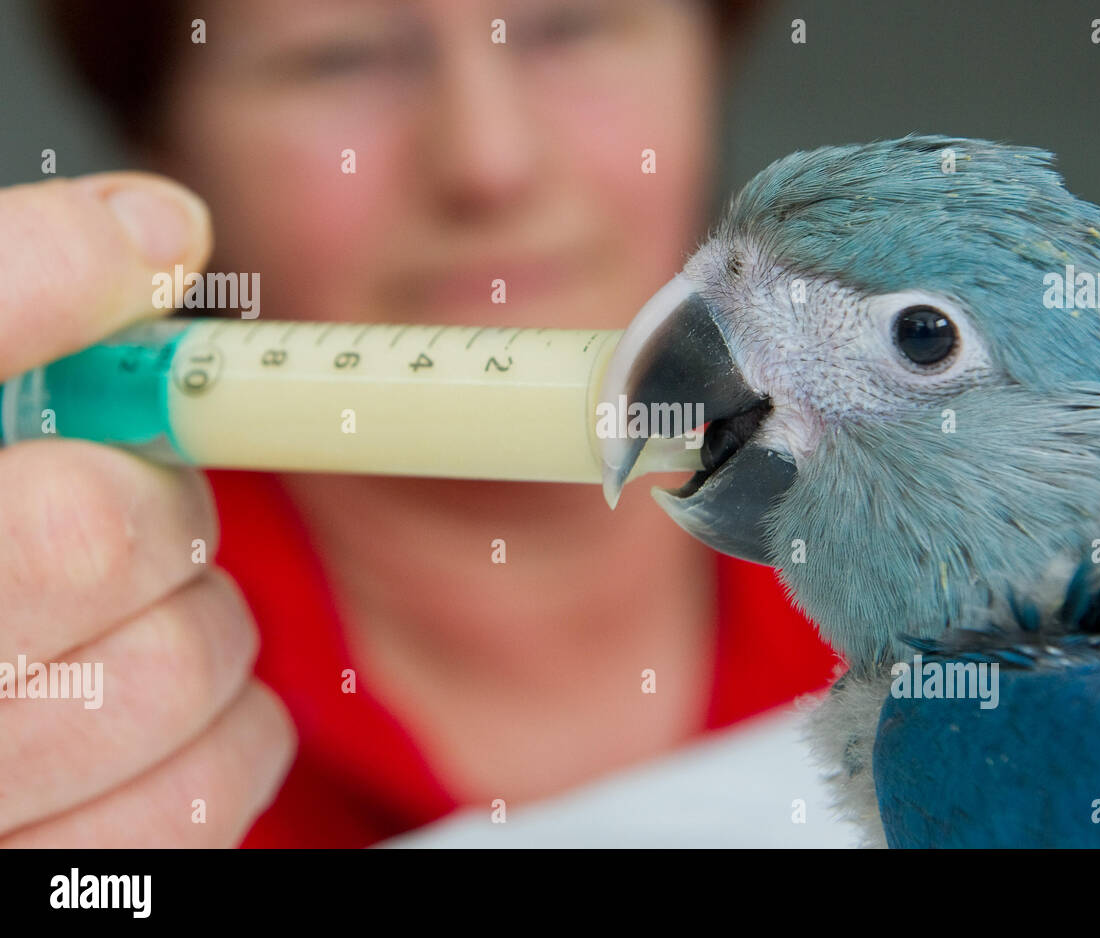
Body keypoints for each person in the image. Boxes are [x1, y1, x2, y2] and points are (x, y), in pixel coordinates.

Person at [0, 0, 839, 847]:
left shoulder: (935, 599)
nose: (489, 160)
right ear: (162, 149)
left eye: (571, 28)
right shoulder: (54, 648)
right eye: (339, 58)